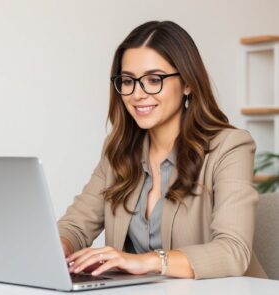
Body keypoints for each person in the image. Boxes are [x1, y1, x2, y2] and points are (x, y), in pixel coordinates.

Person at [58, 20, 267, 279]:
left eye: (154, 79)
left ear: (188, 83)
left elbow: (233, 251)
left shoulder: (229, 146)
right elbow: (75, 227)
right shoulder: (119, 151)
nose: (138, 94)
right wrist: (58, 247)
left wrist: (146, 261)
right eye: (128, 81)